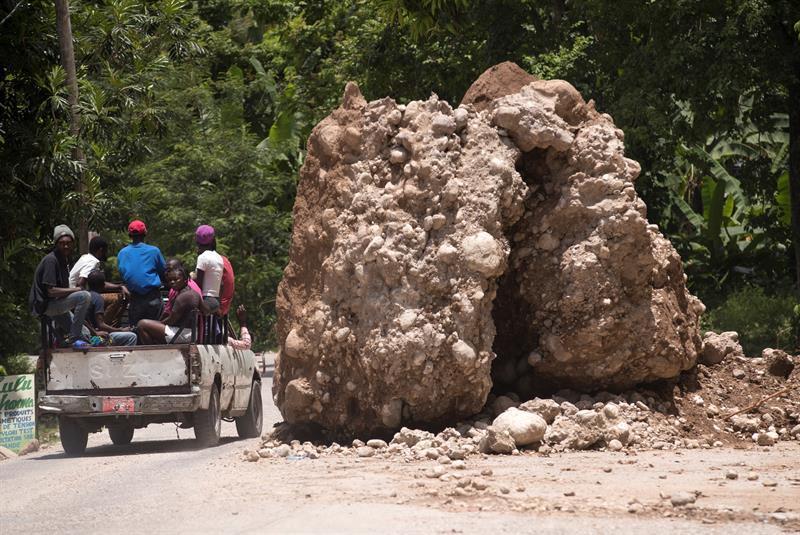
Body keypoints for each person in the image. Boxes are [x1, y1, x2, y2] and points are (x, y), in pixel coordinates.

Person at [29, 225, 91, 346]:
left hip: (56, 304)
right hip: (46, 305)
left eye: (68, 243)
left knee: (86, 335)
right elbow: (51, 291)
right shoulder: (51, 260)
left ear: (73, 243)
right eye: (62, 243)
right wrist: (75, 290)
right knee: (84, 296)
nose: (66, 246)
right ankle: (74, 338)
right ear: (56, 244)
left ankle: (74, 340)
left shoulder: (64, 259)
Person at [136, 265, 208, 345]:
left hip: (183, 333)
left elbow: (171, 320)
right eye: (170, 280)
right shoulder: (194, 293)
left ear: (185, 280)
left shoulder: (183, 297)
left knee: (142, 324)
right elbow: (205, 310)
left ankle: (152, 351)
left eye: (176, 279)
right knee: (151, 326)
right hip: (190, 332)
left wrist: (158, 324)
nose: (172, 282)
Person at [118, 220, 166, 326]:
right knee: (155, 329)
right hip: (152, 297)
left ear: (130, 235)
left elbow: (123, 275)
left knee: (136, 330)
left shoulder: (123, 253)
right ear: (145, 233)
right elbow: (164, 273)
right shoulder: (154, 251)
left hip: (135, 298)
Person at [84, 270, 137, 346]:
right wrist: (120, 330)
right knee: (131, 337)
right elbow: (101, 325)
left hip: (86, 334)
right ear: (103, 285)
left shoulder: (85, 295)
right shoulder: (98, 298)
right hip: (93, 337)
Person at [194, 225, 223, 314]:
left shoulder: (203, 257)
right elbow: (222, 284)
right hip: (216, 300)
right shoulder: (219, 257)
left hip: (206, 299)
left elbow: (199, 285)